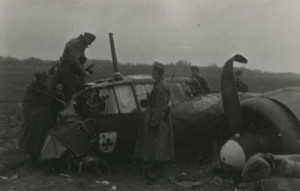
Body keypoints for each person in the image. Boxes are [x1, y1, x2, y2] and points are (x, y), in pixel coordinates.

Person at [135, 62, 174, 181]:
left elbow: (160, 106)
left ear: (158, 73)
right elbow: (156, 102)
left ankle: (157, 170)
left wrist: (155, 122)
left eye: (154, 72)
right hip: (155, 117)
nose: (152, 74)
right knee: (153, 145)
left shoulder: (161, 86)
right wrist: (147, 102)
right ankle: (154, 168)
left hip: (158, 119)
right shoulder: (159, 85)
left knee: (158, 146)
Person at [19, 71, 64, 164]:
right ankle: (36, 155)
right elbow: (50, 99)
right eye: (44, 79)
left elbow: (51, 98)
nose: (46, 81)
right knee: (40, 132)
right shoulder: (35, 89)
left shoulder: (33, 88)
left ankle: (35, 154)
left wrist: (57, 92)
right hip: (37, 118)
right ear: (40, 80)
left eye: (46, 79)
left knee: (35, 135)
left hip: (33, 118)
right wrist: (57, 92)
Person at [52, 32, 96, 101]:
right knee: (72, 96)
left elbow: (77, 60)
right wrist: (84, 73)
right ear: (86, 39)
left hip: (72, 73)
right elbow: (74, 62)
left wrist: (84, 67)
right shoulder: (77, 44)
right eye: (90, 42)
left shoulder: (80, 43)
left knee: (77, 94)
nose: (90, 44)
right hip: (68, 74)